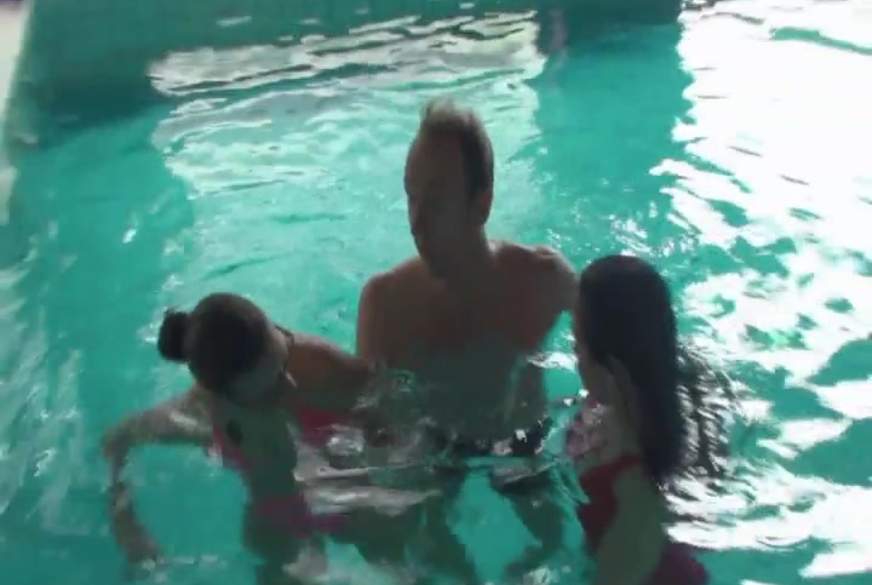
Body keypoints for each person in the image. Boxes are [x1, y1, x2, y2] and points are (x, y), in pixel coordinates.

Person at [354, 98, 577, 581]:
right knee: (425, 552)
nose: (415, 220)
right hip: (436, 452)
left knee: (552, 543)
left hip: (524, 442)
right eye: (411, 196)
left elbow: (615, 355)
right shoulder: (386, 305)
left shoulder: (542, 280)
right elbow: (369, 431)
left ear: (482, 203)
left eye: (435, 200)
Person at [102, 292, 432, 583]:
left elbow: (387, 400)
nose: (289, 384)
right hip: (278, 522)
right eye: (270, 387)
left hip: (342, 489)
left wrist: (391, 446)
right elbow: (116, 440)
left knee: (409, 555)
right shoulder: (201, 415)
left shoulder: (314, 364)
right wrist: (127, 526)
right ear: (224, 396)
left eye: (282, 360)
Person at [565, 255, 709, 585]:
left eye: (577, 346)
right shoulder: (638, 402)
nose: (575, 359)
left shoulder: (634, 500)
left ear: (613, 371)